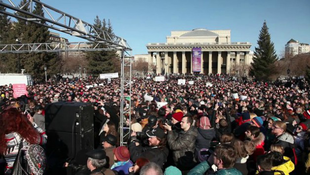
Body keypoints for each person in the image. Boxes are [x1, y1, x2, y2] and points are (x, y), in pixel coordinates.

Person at [0, 107, 47, 175]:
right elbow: (44, 139)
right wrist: (33, 124)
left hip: (9, 171)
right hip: (25, 171)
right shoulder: (26, 137)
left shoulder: (2, 138)